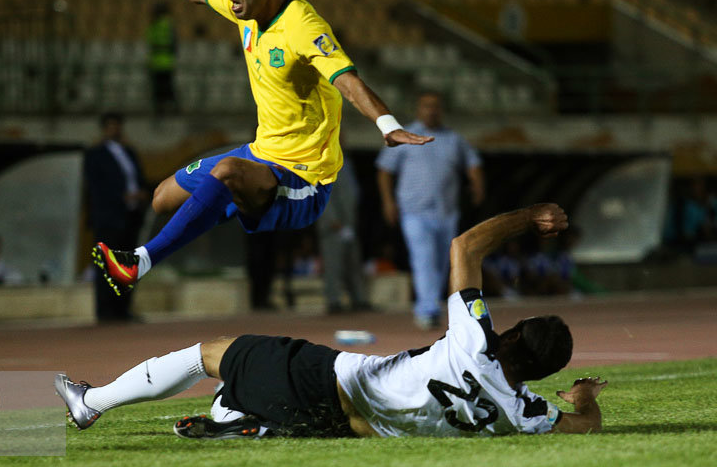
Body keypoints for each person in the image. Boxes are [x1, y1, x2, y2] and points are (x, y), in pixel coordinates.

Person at [56, 203, 607, 439]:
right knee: (236, 394)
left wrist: (529, 217)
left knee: (216, 353)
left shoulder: (474, 342)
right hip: (345, 428)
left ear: (510, 334)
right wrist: (583, 397)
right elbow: (583, 427)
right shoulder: (521, 413)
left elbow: (466, 246)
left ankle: (92, 403)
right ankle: (244, 422)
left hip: (330, 379)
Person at [92, 0, 433, 297]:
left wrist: (387, 124)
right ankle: (231, 196)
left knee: (226, 172)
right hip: (262, 154)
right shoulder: (245, 11)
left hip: (305, 178)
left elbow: (347, 81)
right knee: (162, 197)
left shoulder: (303, 26)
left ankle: (139, 262)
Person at [377, 91, 484, 329]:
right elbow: (384, 170)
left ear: (441, 110)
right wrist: (388, 202)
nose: (431, 110)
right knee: (423, 258)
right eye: (426, 106)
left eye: (435, 106)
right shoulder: (405, 136)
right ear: (418, 109)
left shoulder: (454, 139)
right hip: (414, 210)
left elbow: (473, 163)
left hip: (446, 210)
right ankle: (427, 309)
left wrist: (477, 185)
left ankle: (431, 303)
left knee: (442, 263)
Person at [84, 112, 150, 322]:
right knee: (106, 263)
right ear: (104, 128)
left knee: (128, 263)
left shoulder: (129, 152)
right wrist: (121, 197)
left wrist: (140, 193)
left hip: (130, 215)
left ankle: (123, 309)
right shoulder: (96, 154)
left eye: (118, 125)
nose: (115, 129)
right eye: (111, 126)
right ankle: (105, 311)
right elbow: (95, 187)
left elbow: (139, 178)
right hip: (109, 217)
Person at [316, 158, 370, 314]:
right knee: (333, 264)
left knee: (353, 263)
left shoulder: (346, 162)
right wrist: (331, 219)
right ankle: (333, 301)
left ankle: (358, 299)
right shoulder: (324, 162)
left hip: (349, 222)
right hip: (334, 224)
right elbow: (321, 192)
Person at [146, 1, 177, 116]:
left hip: (165, 60)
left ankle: (170, 109)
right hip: (156, 61)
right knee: (158, 88)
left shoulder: (165, 24)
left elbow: (172, 42)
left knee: (166, 87)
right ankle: (161, 110)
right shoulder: (154, 24)